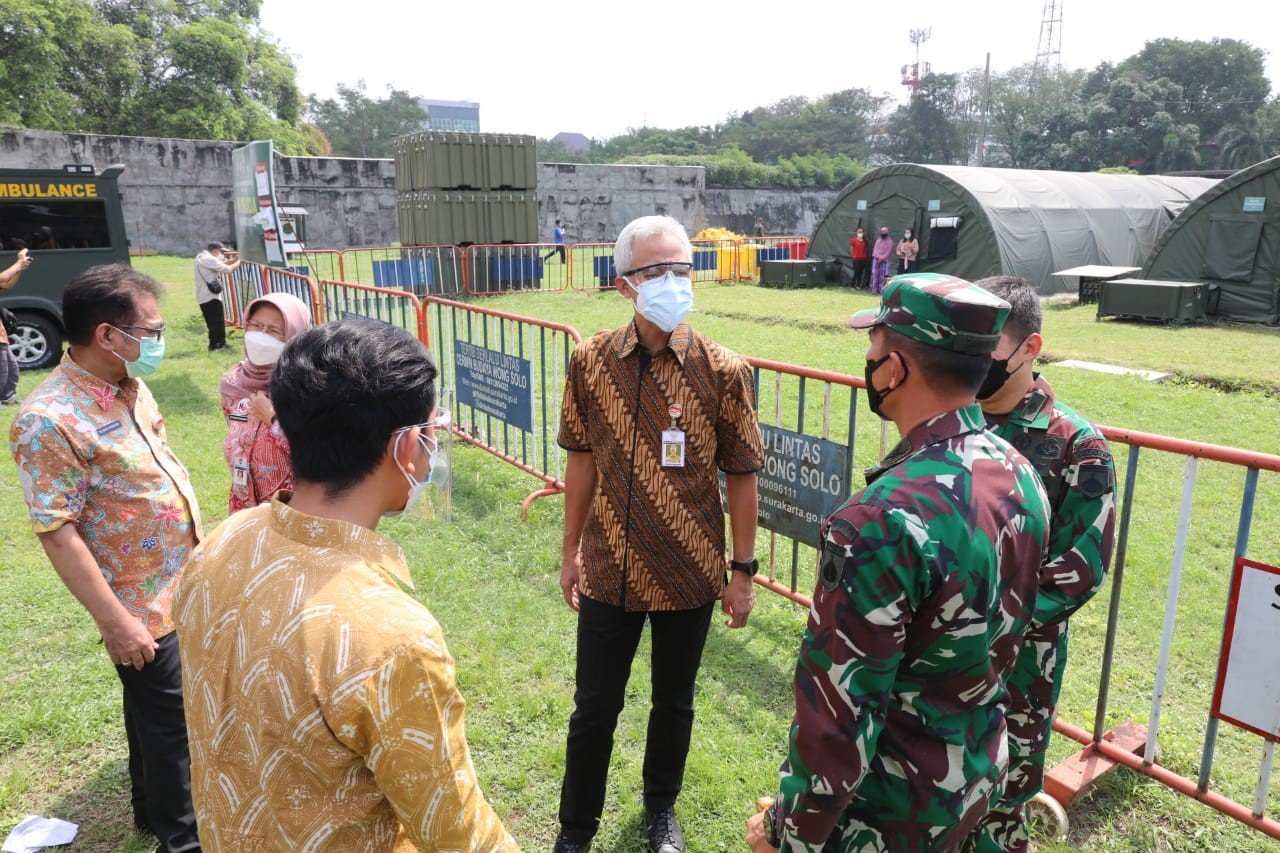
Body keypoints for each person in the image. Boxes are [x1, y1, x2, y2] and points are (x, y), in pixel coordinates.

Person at [174, 318, 517, 851]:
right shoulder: (392, 640)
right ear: (408, 448)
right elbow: (456, 833)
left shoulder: (225, 541)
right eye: (433, 432)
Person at [746, 273, 1051, 852]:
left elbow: (840, 715)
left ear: (896, 369)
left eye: (873, 346)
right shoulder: (1019, 472)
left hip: (888, 815)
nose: (869, 359)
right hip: (975, 778)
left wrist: (789, 831)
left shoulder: (879, 520)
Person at [553, 214, 764, 853]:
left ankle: (661, 812)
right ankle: (575, 829)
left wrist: (743, 572)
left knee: (674, 703)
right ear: (626, 285)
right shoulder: (591, 362)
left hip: (689, 568)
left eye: (682, 269)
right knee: (594, 710)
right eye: (656, 271)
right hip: (610, 565)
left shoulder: (724, 371)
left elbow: (743, 473)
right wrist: (569, 550)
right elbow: (582, 458)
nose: (673, 281)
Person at [10, 264, 202, 852]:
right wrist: (116, 621)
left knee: (155, 712)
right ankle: (183, 840)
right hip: (139, 602)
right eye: (152, 329)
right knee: (175, 731)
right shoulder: (49, 419)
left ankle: (149, 810)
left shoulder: (130, 386)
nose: (159, 340)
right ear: (108, 335)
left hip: (181, 583)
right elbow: (56, 530)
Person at [967, 275, 1117, 853]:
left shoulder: (1077, 445)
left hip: (1019, 666)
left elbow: (1079, 568)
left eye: (988, 348)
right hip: (933, 657)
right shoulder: (950, 423)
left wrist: (977, 623)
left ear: (1029, 347)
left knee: (1001, 800)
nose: (971, 361)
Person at [218, 292, 312, 513]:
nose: (261, 336)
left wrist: (273, 419)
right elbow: (235, 427)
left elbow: (317, 453)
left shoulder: (307, 389)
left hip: (292, 511)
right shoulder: (233, 381)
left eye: (273, 331)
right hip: (245, 503)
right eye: (256, 325)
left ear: (294, 336)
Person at [0, 247, 33, 404]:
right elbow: (2, 278)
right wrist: (19, 262)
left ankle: (8, 399)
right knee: (2, 371)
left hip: (1, 335)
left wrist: (20, 269)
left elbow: (7, 283)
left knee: (11, 369)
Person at [193, 241, 241, 351]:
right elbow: (228, 270)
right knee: (216, 322)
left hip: (204, 296)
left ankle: (217, 344)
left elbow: (220, 264)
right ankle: (217, 345)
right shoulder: (208, 259)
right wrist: (239, 262)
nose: (222, 255)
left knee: (214, 322)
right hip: (210, 296)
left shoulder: (202, 257)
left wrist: (232, 261)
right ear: (215, 251)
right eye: (220, 252)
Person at [870, 226, 894, 293]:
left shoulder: (890, 242)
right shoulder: (878, 240)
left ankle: (881, 290)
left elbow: (889, 251)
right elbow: (875, 250)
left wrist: (882, 258)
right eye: (881, 232)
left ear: (887, 233)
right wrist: (878, 257)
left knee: (883, 276)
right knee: (875, 274)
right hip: (877, 260)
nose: (882, 233)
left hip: (884, 261)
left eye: (884, 232)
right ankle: (874, 289)